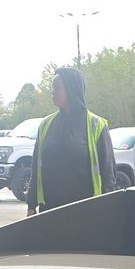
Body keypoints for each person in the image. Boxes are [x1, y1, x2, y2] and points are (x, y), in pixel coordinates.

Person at [26, 66, 117, 215]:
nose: (53, 91)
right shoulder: (45, 125)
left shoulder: (96, 125)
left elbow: (108, 174)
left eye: (57, 87)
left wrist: (107, 209)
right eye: (52, 87)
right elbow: (36, 168)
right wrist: (31, 204)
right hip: (49, 210)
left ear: (72, 89)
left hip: (85, 211)